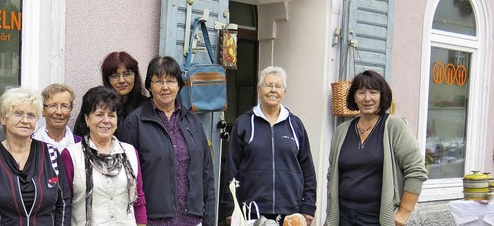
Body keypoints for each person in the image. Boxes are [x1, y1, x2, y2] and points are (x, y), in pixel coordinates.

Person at [118, 56, 216, 226]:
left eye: (170, 81)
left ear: (179, 85)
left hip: (192, 220)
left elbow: (207, 175)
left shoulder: (192, 121)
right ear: (149, 85)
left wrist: (209, 219)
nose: (165, 87)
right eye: (158, 81)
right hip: (152, 220)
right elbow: (124, 178)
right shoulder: (135, 122)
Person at [325, 70, 428, 226]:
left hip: (377, 219)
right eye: (361, 93)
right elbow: (331, 174)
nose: (367, 98)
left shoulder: (395, 127)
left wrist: (404, 212)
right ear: (354, 97)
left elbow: (416, 171)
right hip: (343, 216)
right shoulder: (342, 131)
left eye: (373, 92)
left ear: (382, 95)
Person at [221, 66, 317, 224]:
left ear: (284, 92)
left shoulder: (295, 125)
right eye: (269, 85)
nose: (273, 90)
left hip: (290, 213)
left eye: (278, 86)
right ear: (259, 89)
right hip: (252, 211)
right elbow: (231, 168)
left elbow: (308, 169)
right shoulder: (244, 123)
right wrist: (230, 208)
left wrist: (308, 206)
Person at [0, 87, 71, 225]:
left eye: (31, 115)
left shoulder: (51, 154)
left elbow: (63, 202)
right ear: (3, 118)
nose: (25, 120)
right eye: (18, 114)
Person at [62, 86, 147, 225]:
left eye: (111, 115)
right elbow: (64, 205)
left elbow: (139, 201)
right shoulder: (71, 155)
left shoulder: (130, 152)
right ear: (87, 119)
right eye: (99, 114)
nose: (106, 120)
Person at [74, 51, 148, 136]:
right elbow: (79, 137)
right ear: (107, 80)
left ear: (135, 76)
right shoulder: (95, 103)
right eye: (114, 76)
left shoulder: (146, 106)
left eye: (127, 74)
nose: (121, 80)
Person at [32, 83, 82, 152]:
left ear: (71, 110)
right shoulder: (30, 143)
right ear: (43, 110)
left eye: (64, 106)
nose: (59, 112)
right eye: (53, 105)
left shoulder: (81, 145)